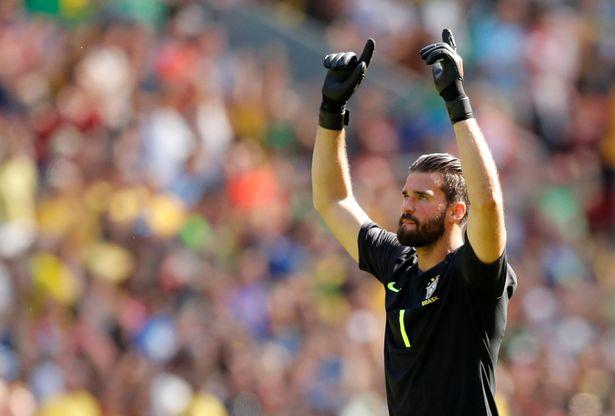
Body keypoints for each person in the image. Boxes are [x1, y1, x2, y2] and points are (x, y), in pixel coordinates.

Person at [311, 29, 517, 415]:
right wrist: (331, 113)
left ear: (457, 211)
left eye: (422, 198)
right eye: (406, 194)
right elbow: (332, 199)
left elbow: (487, 201)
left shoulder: (473, 275)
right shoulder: (398, 264)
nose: (406, 205)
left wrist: (457, 101)